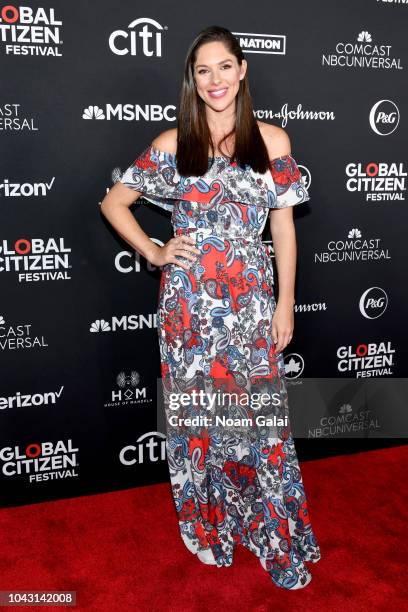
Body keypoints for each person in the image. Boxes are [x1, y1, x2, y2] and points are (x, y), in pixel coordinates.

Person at [100, 25, 321, 590]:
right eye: (203, 71)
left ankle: (271, 525)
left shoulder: (273, 142)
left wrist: (286, 304)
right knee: (198, 418)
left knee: (260, 420)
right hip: (188, 307)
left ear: (243, 70)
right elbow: (114, 202)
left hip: (250, 302)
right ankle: (208, 520)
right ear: (192, 81)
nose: (215, 80)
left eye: (225, 67)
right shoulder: (175, 145)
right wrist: (155, 250)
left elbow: (284, 232)